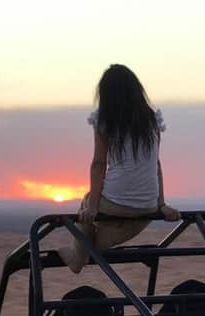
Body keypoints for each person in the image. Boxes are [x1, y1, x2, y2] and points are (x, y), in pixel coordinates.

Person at [59, 64, 180, 273]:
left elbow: (99, 164)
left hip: (116, 203)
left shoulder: (105, 120)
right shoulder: (151, 120)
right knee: (100, 237)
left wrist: (93, 207)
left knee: (87, 201)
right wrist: (161, 204)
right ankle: (93, 247)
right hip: (148, 206)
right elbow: (155, 163)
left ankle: (77, 257)